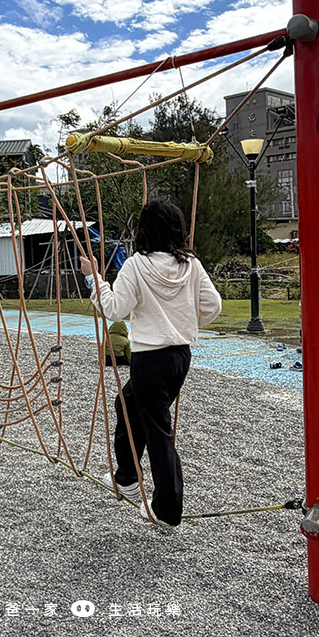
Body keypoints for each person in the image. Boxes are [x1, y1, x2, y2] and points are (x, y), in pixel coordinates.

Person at [81, 199, 222, 530]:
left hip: (149, 358)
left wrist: (94, 279)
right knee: (127, 402)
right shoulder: (191, 265)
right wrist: (185, 322)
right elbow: (212, 305)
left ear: (144, 230)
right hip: (179, 358)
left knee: (159, 432)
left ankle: (167, 509)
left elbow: (114, 309)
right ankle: (128, 476)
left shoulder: (136, 265)